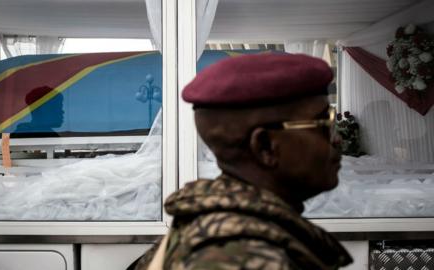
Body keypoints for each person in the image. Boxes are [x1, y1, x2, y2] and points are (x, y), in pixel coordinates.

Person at [132, 53, 353, 269]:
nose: (337, 140)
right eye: (324, 124)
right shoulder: (243, 257)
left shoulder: (206, 221)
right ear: (265, 146)